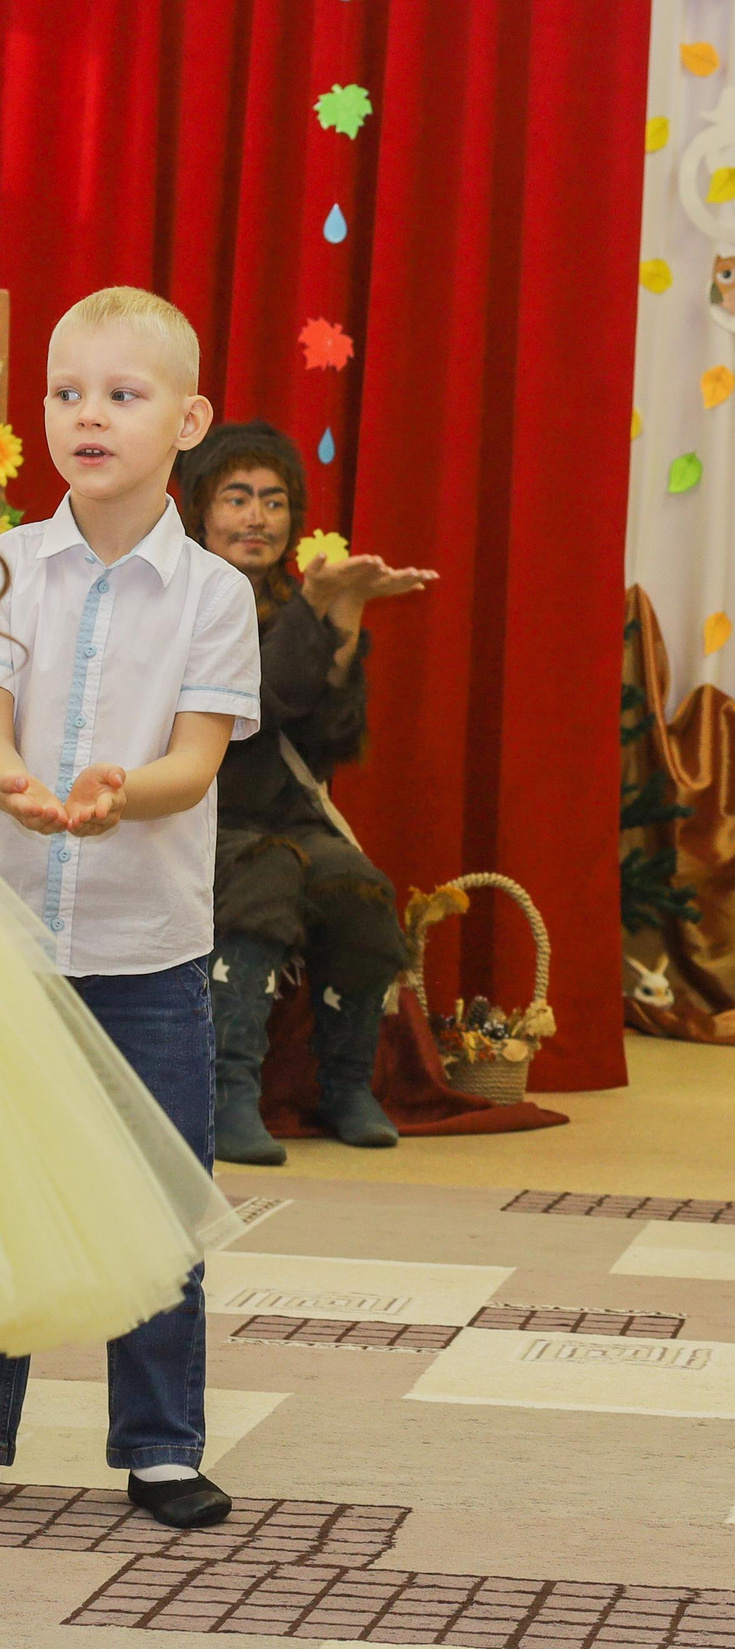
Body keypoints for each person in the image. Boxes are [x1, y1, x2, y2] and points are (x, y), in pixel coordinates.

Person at [0, 286, 260, 1529]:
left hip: (149, 949)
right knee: (9, 1194)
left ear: (188, 419)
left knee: (161, 1198)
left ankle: (160, 1446)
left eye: (122, 393)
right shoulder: (9, 564)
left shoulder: (215, 594)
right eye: (66, 392)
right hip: (15, 948)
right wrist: (11, 772)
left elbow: (198, 760)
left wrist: (120, 789)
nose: (87, 416)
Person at [174, 421, 432, 1166]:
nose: (257, 516)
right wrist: (317, 610)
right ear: (201, 510)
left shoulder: (298, 599)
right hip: (194, 813)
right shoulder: (178, 597)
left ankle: (347, 1085)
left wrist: (343, 615)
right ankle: (228, 1096)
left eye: (274, 500)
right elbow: (253, 703)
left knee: (358, 886)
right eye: (237, 497)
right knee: (266, 869)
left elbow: (330, 737)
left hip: (282, 816)